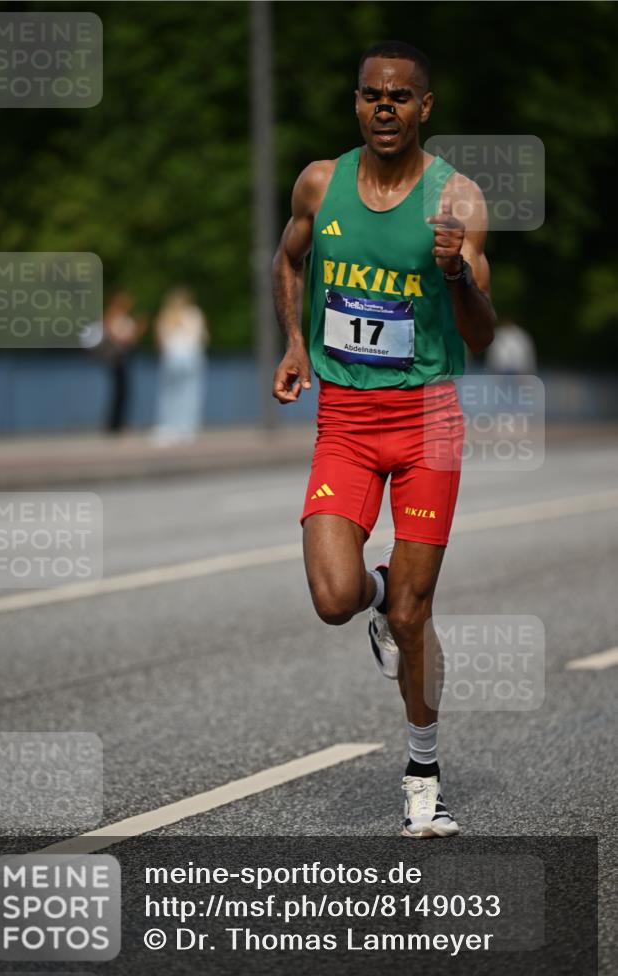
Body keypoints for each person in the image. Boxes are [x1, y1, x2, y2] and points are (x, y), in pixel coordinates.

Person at [272, 40, 495, 837]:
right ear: (357, 103)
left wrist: (455, 274)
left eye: (399, 96)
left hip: (427, 418)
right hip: (346, 419)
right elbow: (287, 261)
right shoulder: (319, 183)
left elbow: (481, 335)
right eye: (371, 95)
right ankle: (378, 595)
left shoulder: (455, 199)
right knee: (336, 598)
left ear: (423, 107)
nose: (384, 108)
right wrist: (295, 344)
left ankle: (423, 775)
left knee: (412, 614)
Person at [80, 289, 147, 433]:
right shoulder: (111, 315)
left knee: (124, 391)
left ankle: (118, 423)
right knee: (119, 391)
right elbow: (114, 336)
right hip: (116, 358)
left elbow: (131, 339)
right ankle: (114, 424)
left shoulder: (123, 317)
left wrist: (137, 330)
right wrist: (130, 334)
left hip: (124, 357)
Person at [151, 287, 209, 445]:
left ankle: (167, 427)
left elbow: (160, 341)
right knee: (191, 393)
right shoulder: (195, 314)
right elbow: (203, 337)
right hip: (192, 356)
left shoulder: (166, 314)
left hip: (172, 356)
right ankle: (188, 427)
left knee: (169, 394)